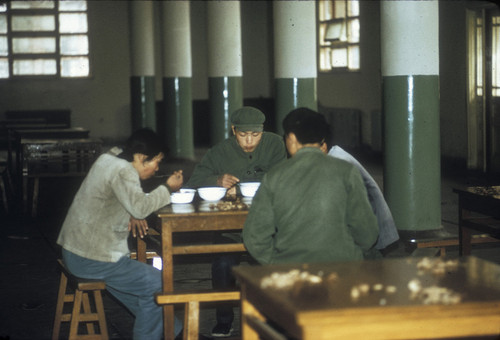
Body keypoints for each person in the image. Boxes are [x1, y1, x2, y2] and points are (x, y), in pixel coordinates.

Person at [57, 128, 183, 340]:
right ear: (142, 158)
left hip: (75, 250)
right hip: (91, 258)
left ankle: (177, 332)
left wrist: (131, 209)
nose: (157, 168)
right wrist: (168, 189)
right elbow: (141, 207)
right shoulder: (124, 171)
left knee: (142, 291)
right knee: (157, 282)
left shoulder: (109, 157)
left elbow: (118, 196)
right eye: (156, 162)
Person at [186, 106, 287, 338]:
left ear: (263, 131)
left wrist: (243, 186)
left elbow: (282, 176)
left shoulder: (275, 144)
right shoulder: (219, 152)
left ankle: (271, 318)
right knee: (222, 266)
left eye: (255, 135)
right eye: (243, 135)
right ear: (233, 131)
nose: (249, 141)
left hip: (266, 228)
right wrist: (216, 180)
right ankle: (224, 320)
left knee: (272, 268)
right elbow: (193, 182)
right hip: (229, 229)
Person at [242, 107, 379, 265]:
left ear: (291, 138)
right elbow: (368, 234)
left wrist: (277, 263)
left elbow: (254, 238)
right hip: (342, 271)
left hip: (293, 272)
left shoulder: (275, 176)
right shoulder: (346, 171)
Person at [327, 145, 399, 252]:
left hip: (377, 237)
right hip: (373, 231)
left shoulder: (337, 161)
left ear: (323, 146)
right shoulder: (335, 156)